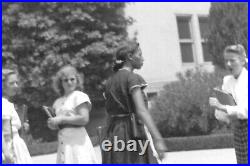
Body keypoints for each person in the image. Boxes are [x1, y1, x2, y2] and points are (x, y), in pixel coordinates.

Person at [101, 41, 167, 164]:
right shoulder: (132, 78)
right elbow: (141, 110)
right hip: (132, 132)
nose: (143, 59)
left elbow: (108, 114)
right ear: (130, 57)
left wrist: (106, 141)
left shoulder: (110, 81)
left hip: (114, 132)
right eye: (140, 55)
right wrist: (158, 138)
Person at [47, 65, 98, 164]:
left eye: (72, 79)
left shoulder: (79, 96)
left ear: (77, 80)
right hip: (63, 142)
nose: (69, 82)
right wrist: (52, 124)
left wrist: (62, 119)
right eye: (65, 80)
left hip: (77, 142)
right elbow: (59, 125)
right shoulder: (57, 102)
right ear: (60, 83)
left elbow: (84, 119)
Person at [209, 44, 248, 164]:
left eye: (232, 60)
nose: (229, 64)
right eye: (226, 61)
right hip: (238, 130)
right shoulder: (227, 81)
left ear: (242, 61)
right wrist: (222, 111)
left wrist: (223, 107)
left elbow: (245, 110)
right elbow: (220, 114)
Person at [2, 68, 32, 164]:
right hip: (12, 147)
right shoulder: (4, 104)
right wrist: (7, 153)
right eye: (11, 83)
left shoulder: (7, 103)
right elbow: (5, 133)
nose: (16, 86)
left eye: (16, 82)